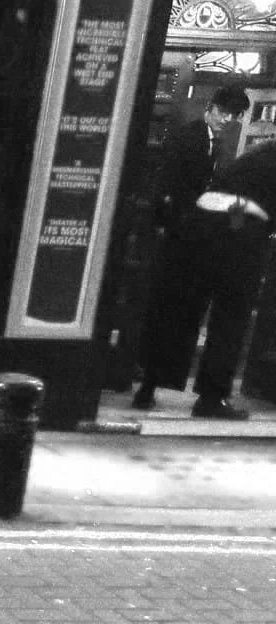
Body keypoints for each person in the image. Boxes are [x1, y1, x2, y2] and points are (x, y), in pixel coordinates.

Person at [134, 85, 251, 418]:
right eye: (224, 112)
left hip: (188, 244)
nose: (228, 119)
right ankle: (147, 385)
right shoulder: (193, 137)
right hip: (180, 244)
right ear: (211, 108)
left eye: (235, 115)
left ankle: (150, 384)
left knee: (173, 318)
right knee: (168, 316)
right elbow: (171, 189)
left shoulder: (212, 142)